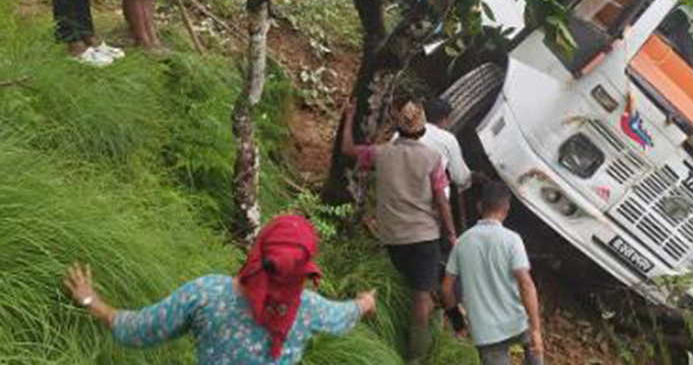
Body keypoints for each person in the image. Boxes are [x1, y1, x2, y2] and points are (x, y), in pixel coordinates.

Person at [63, 214, 376, 364]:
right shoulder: (309, 309)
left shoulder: (208, 295)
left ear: (259, 251)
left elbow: (139, 330)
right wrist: (365, 303)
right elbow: (344, 316)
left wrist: (91, 300)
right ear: (303, 268)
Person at [341, 99, 456, 359]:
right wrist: (450, 233)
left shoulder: (381, 153)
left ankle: (407, 329)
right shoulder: (432, 158)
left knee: (415, 282)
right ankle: (416, 356)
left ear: (399, 129)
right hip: (424, 237)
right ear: (423, 130)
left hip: (392, 237)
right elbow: (441, 200)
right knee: (421, 296)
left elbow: (348, 149)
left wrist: (348, 116)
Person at [443, 181, 545, 365]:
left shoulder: (462, 243)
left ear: (479, 206)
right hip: (518, 323)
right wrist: (536, 329)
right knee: (536, 357)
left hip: (486, 333)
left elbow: (446, 289)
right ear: (506, 209)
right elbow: (526, 284)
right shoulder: (512, 240)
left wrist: (458, 322)